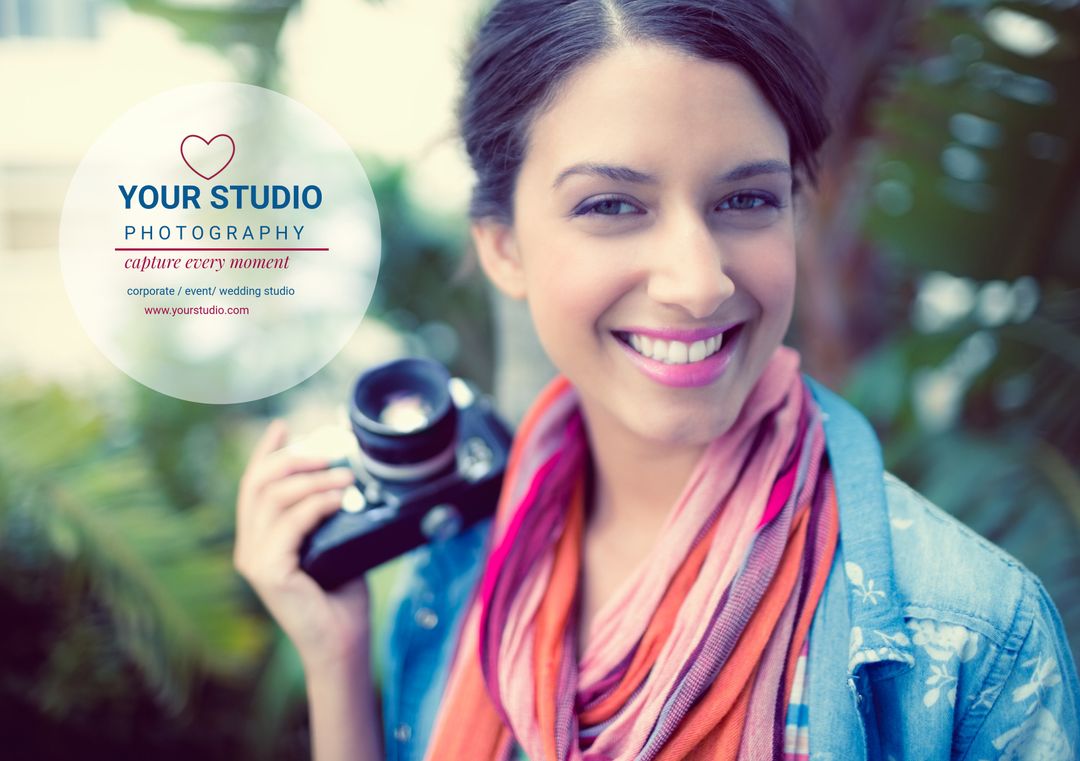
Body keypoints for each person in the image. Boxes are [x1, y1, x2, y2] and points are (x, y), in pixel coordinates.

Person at [233, 1, 1080, 759]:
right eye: (612, 204)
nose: (698, 280)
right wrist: (334, 657)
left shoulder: (969, 633)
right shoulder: (457, 570)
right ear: (504, 245)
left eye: (746, 200)